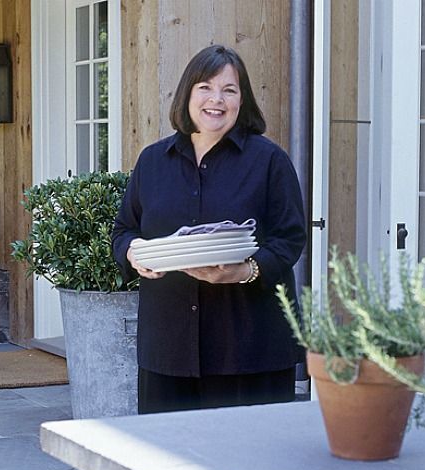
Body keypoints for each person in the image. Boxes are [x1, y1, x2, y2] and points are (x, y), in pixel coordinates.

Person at [111, 45, 307, 414]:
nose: (216, 99)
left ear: (242, 99)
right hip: (168, 350)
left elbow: (290, 238)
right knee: (167, 463)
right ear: (187, 93)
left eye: (229, 90)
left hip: (250, 350)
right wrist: (133, 252)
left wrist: (247, 271)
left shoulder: (269, 161)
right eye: (205, 87)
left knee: (248, 465)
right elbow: (124, 229)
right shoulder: (153, 161)